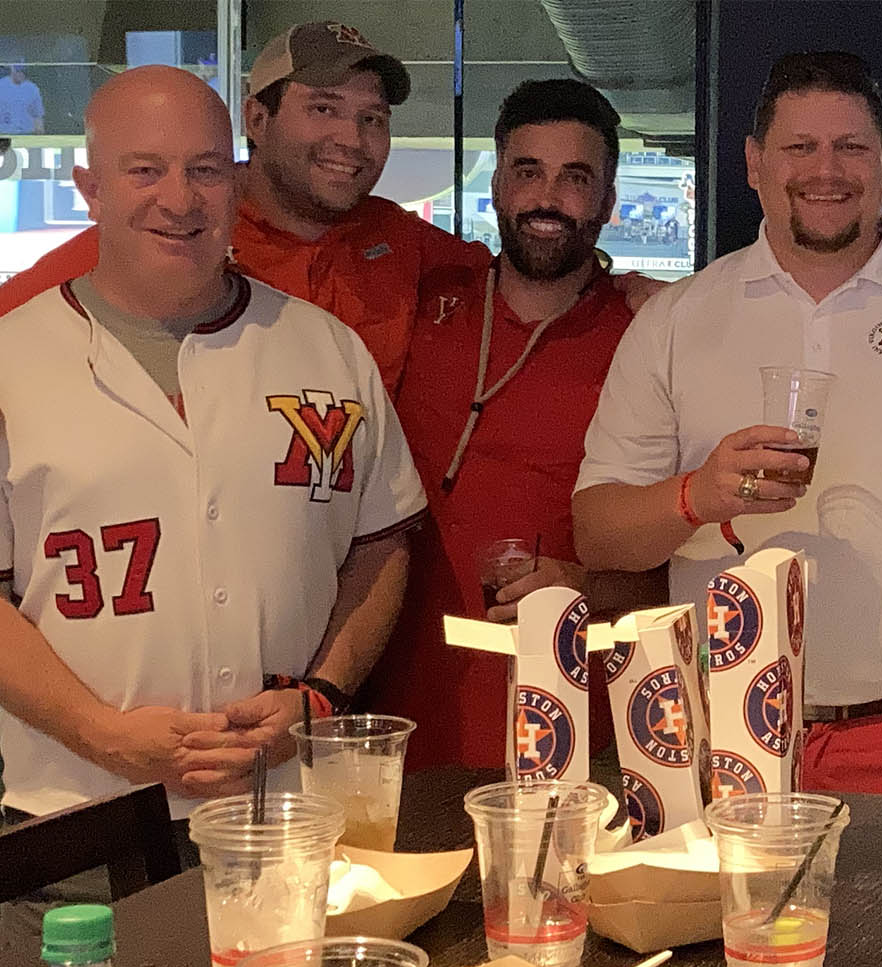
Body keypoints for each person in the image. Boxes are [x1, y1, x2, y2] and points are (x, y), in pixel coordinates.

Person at [573, 52, 882, 804]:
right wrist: (697, 495)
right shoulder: (678, 320)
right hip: (717, 739)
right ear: (752, 163)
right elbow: (597, 532)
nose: (826, 170)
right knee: (722, 930)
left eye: (851, 147)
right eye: (799, 148)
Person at [0, 68, 424, 834]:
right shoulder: (11, 358)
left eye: (203, 170)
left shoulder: (326, 348)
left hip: (293, 811)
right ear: (90, 187)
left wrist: (321, 693)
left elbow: (381, 541)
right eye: (145, 171)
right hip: (77, 818)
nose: (179, 198)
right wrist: (100, 731)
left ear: (234, 183)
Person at [0, 22, 662, 386]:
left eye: (373, 118)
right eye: (324, 109)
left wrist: (637, 292)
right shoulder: (179, 229)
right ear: (257, 118)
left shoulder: (397, 239)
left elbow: (523, 269)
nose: (353, 139)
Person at [362, 79, 637, 770]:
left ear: (607, 201)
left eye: (576, 178)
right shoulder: (420, 306)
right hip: (395, 718)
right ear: (497, 187)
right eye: (527, 172)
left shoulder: (648, 336)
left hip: (574, 723)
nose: (548, 198)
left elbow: (691, 564)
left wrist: (586, 584)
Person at [0, 65, 45, 135]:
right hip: (4, 133)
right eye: (17, 71)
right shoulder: (1, 86)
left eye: (22, 71)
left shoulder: (32, 88)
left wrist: (39, 132)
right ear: (12, 70)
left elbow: (37, 114)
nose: (20, 73)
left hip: (27, 133)